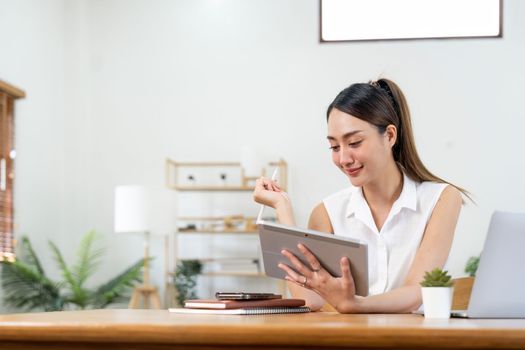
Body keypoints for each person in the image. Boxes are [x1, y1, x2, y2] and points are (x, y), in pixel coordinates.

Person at [253, 78, 466, 313]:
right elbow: (311, 301)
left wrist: (354, 304)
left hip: (415, 343)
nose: (343, 159)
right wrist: (283, 208)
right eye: (334, 147)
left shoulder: (441, 199)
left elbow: (417, 292)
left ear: (390, 136)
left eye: (354, 142)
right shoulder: (328, 212)